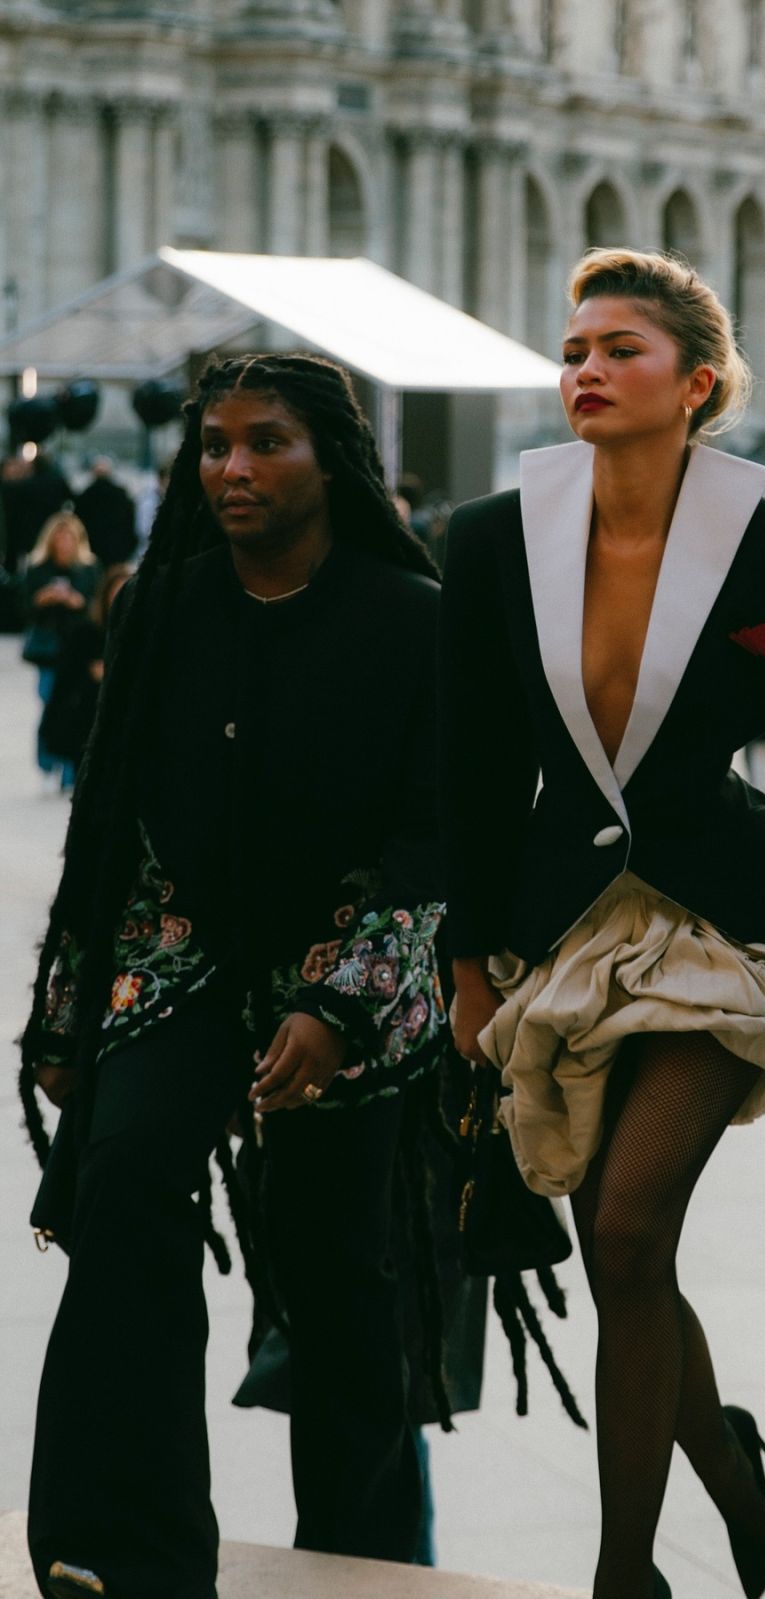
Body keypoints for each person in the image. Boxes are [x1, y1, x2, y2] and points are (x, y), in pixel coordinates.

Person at [440, 247, 765, 1599]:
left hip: (737, 930)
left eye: (619, 350)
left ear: (695, 384)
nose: (584, 369)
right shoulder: (491, 537)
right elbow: (468, 769)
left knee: (634, 1226)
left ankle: (623, 1572)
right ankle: (728, 1464)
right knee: (617, 1240)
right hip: (562, 927)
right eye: (575, 347)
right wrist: (464, 956)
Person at [19, 353, 459, 1599]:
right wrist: (68, 1010)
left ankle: (369, 1561)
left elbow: (435, 836)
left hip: (347, 963)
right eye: (215, 444)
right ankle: (121, 1548)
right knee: (122, 1190)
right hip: (187, 954)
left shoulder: (412, 617)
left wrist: (340, 1005)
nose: (233, 468)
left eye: (266, 442)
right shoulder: (166, 602)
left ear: (332, 458)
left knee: (337, 1276)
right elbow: (109, 815)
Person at [20, 512, 99, 792]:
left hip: (77, 649)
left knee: (75, 709)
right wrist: (42, 599)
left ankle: (69, 769)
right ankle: (47, 762)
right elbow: (23, 610)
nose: (64, 543)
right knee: (49, 702)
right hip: (49, 650)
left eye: (69, 537)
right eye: (59, 537)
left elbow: (97, 608)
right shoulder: (38, 568)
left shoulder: (88, 569)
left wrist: (77, 602)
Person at [39, 562, 133, 785]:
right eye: (116, 592)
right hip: (86, 721)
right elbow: (65, 680)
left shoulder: (144, 632)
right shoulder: (86, 632)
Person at [73, 456, 138, 566]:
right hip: (117, 550)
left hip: (92, 549)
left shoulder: (86, 496)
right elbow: (129, 522)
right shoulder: (121, 495)